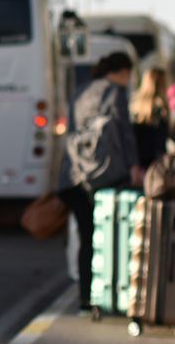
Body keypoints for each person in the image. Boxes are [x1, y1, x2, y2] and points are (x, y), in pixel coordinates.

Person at [60, 50, 141, 309]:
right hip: (104, 176)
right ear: (122, 72)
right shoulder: (115, 93)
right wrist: (134, 165)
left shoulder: (81, 91)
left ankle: (86, 297)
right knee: (107, 236)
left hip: (73, 175)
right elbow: (125, 132)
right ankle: (109, 295)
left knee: (86, 237)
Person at [130, 66, 170, 170]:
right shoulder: (160, 107)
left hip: (138, 159)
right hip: (155, 162)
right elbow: (162, 139)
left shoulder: (135, 104)